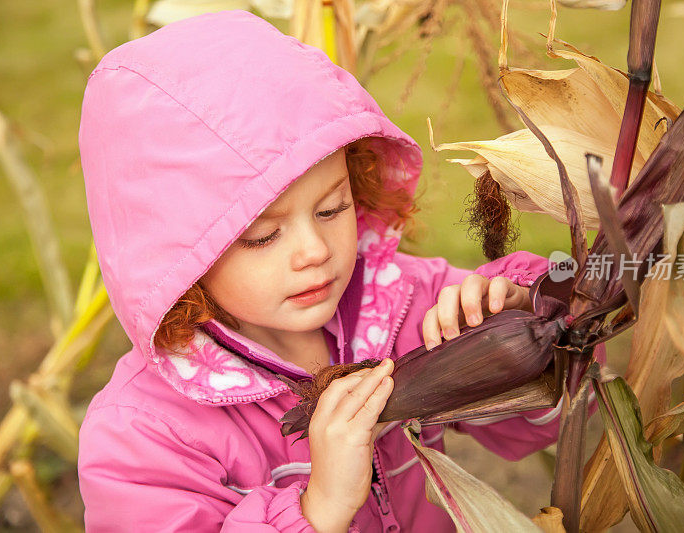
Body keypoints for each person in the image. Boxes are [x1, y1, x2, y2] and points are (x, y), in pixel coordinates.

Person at [77, 9, 601, 532]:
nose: (315, 251)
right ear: (181, 257)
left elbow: (547, 417)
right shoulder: (145, 437)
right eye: (262, 235)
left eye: (332, 209)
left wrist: (527, 330)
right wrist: (318, 508)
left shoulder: (406, 305)